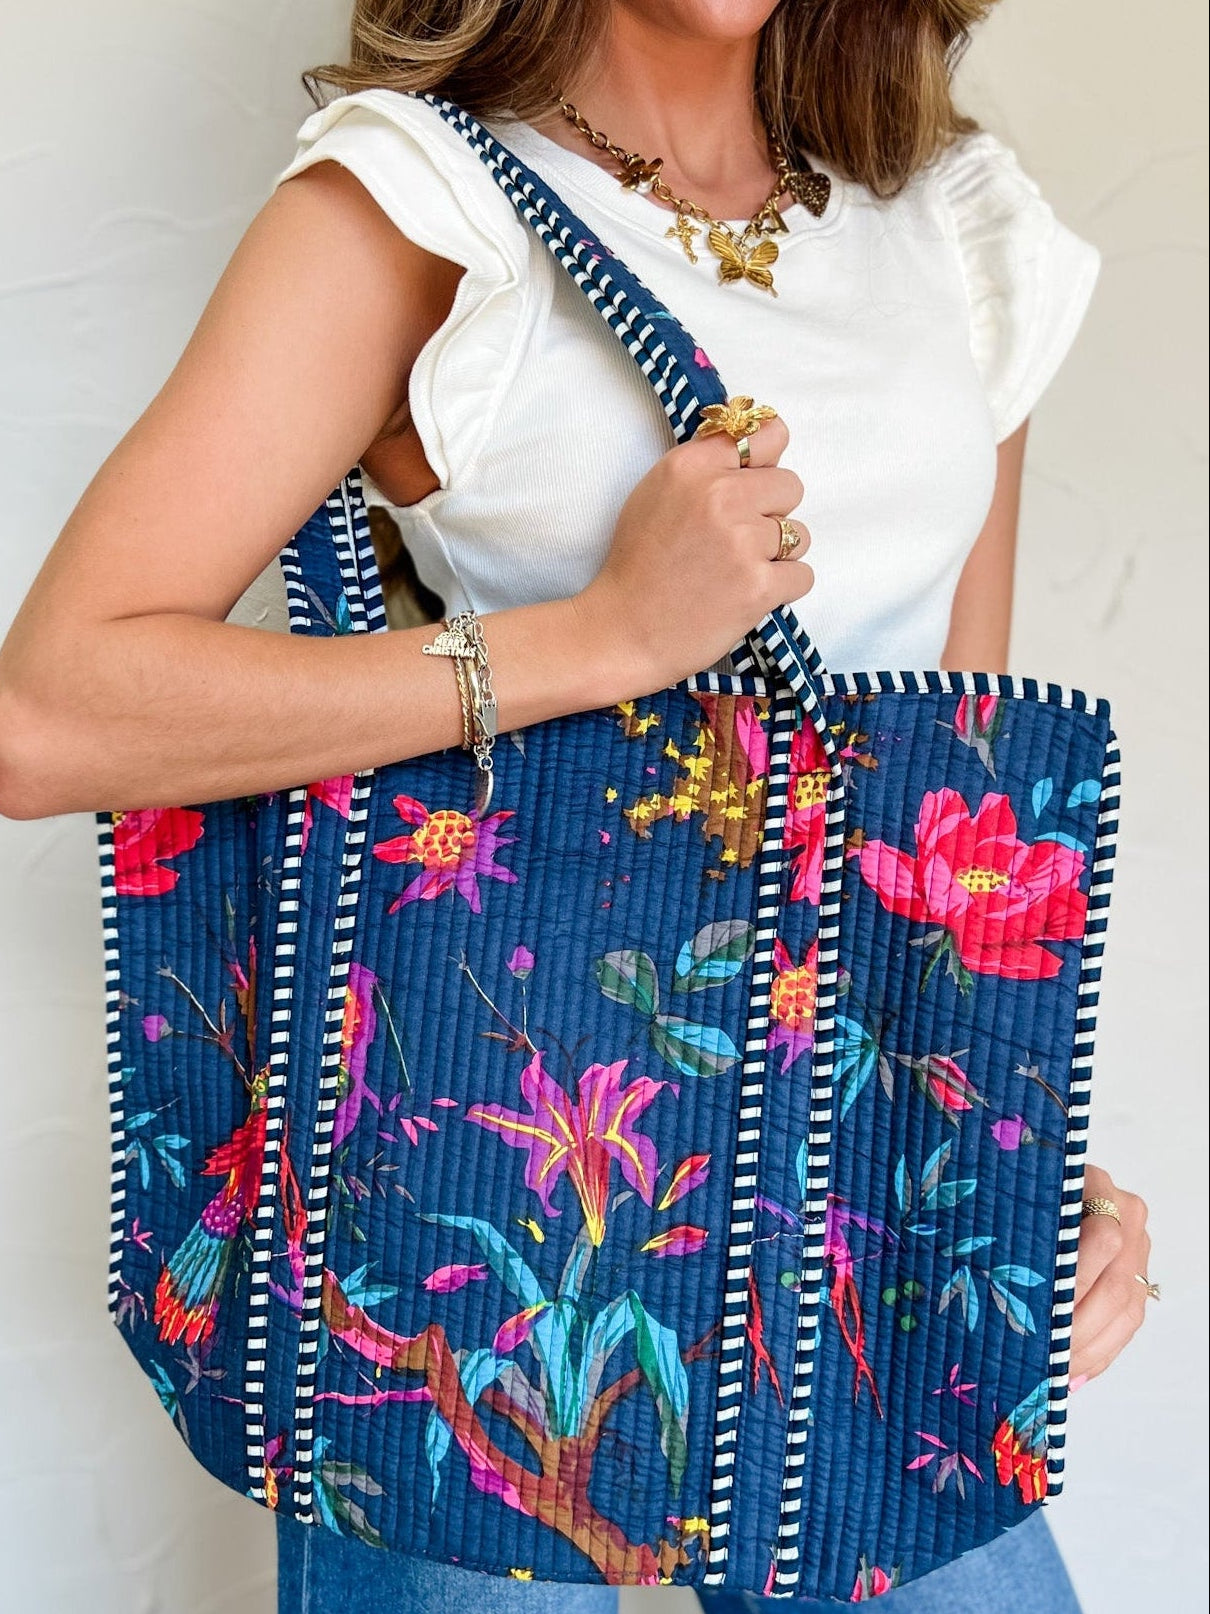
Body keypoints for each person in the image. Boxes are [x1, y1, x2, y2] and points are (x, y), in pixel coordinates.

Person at [0, 2, 1154, 1610]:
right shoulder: (417, 200)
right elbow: (47, 713)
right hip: (479, 1203)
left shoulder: (953, 232)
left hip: (847, 1218)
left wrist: (1016, 1164)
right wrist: (601, 639)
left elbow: (927, 819)